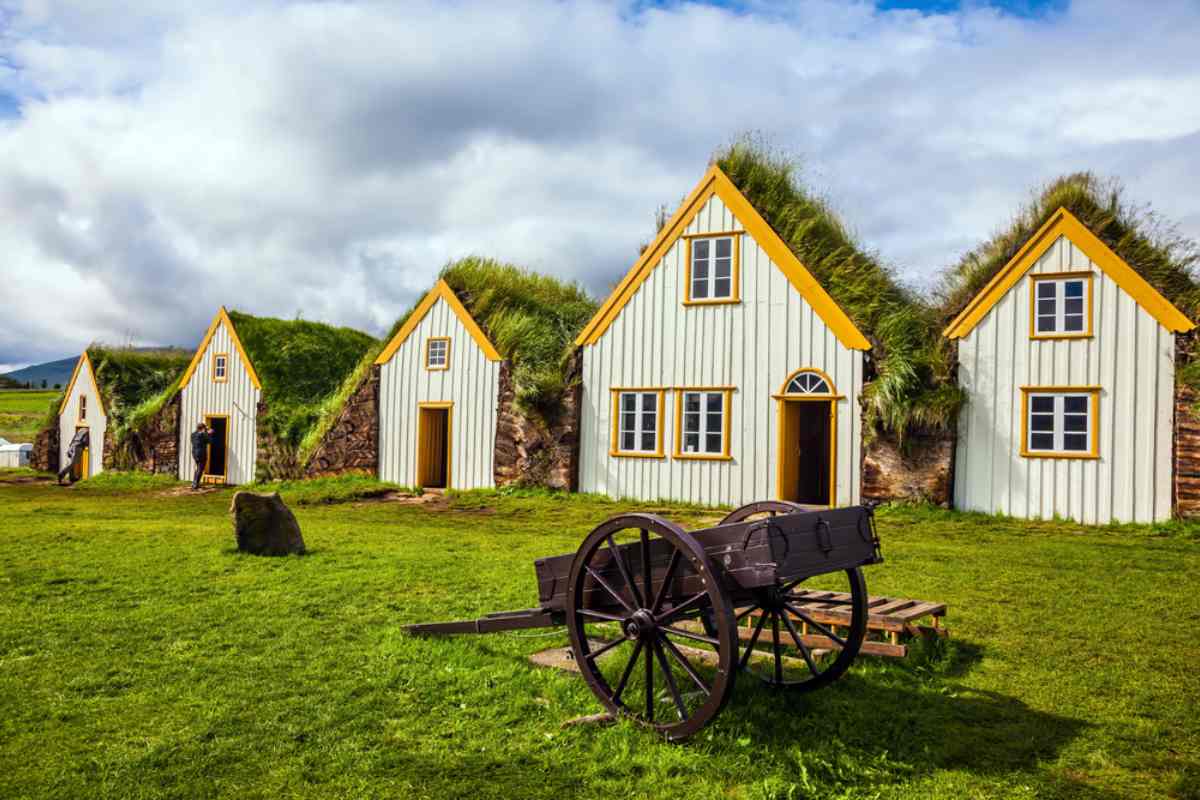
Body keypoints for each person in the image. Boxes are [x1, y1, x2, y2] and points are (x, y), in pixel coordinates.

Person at [190, 422, 212, 490]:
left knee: (198, 468)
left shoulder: (193, 434)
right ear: (202, 428)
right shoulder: (203, 434)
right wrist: (209, 433)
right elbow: (210, 441)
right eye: (204, 428)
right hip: (201, 453)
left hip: (194, 453)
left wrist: (206, 432)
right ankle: (195, 484)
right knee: (200, 468)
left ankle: (194, 483)